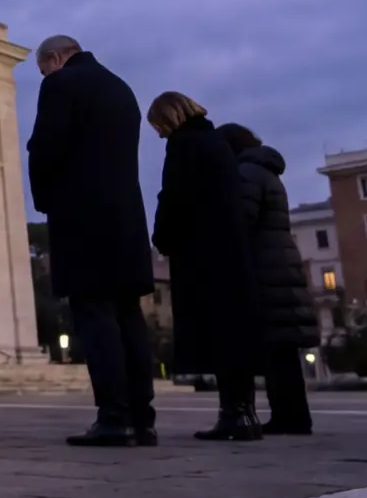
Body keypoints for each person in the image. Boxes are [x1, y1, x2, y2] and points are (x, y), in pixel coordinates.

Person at [25, 35, 158, 447]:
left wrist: (44, 200)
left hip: (82, 217)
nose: (44, 76)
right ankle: (142, 419)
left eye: (43, 69)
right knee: (128, 317)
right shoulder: (121, 88)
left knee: (95, 316)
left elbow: (44, 149)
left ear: (55, 58)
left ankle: (114, 419)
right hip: (126, 218)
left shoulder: (61, 84)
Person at [149, 92, 260, 442]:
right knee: (234, 335)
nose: (159, 134)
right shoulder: (216, 142)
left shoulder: (183, 146)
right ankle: (244, 413)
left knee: (220, 334)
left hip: (203, 254)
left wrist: (163, 237)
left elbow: (174, 196)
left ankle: (234, 415)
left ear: (170, 118)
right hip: (230, 251)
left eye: (159, 126)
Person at [221, 123, 315, 436]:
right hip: (280, 262)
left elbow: (241, 218)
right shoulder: (267, 172)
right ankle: (294, 416)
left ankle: (288, 417)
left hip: (265, 265)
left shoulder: (246, 173)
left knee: (275, 348)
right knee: (284, 349)